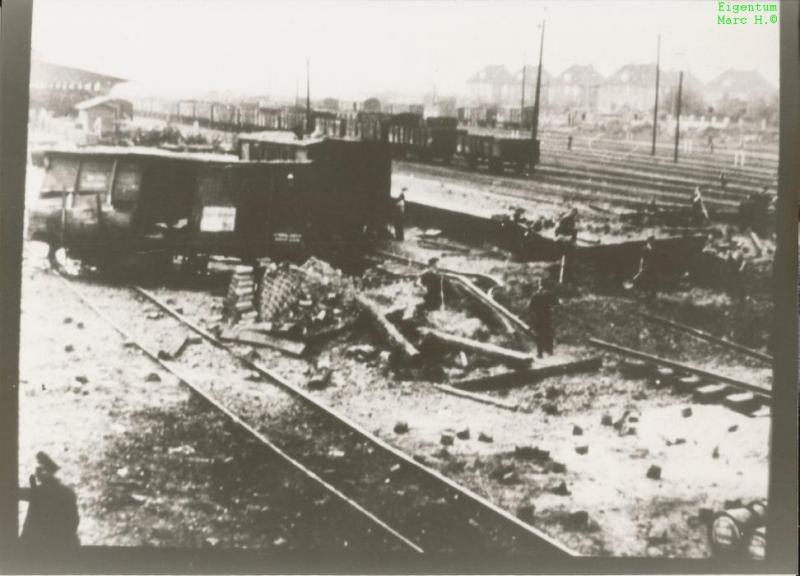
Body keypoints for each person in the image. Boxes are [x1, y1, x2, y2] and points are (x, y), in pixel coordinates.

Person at [18, 451, 80, 549]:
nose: (36, 474)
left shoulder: (39, 492)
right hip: (65, 543)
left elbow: (17, 493)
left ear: (46, 472)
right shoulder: (68, 492)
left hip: (44, 545)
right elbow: (74, 521)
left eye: (38, 470)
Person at [527, 280, 557, 358]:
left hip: (540, 318)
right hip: (545, 317)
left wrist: (532, 320)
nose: (541, 288)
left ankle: (542, 353)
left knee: (541, 335)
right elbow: (556, 303)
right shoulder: (548, 294)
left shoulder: (536, 295)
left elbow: (530, 308)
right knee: (548, 334)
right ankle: (548, 352)